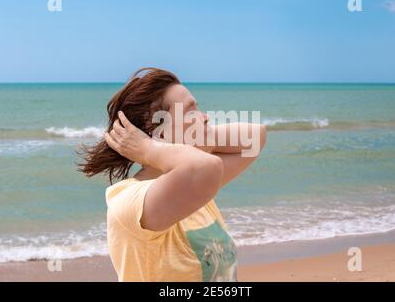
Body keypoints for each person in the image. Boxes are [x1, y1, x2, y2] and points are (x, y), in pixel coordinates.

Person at [77, 67, 266, 281]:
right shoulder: (128, 200)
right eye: (191, 111)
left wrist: (204, 136)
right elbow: (206, 167)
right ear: (160, 130)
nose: (205, 117)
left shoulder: (194, 187)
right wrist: (149, 148)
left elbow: (255, 137)